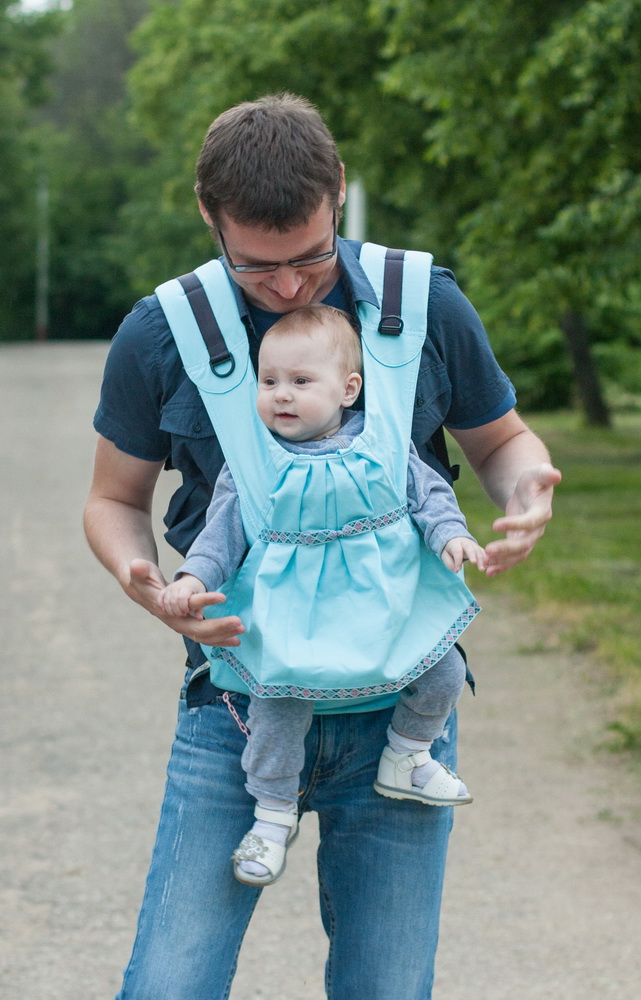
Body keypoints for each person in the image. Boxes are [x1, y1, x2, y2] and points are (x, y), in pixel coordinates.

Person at [84, 93, 561, 1000]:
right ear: (207, 215)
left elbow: (500, 442)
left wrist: (525, 486)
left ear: (338, 192)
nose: (292, 286)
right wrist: (137, 574)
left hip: (400, 707)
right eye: (257, 267)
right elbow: (113, 499)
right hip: (233, 709)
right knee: (167, 985)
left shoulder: (422, 304)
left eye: (309, 255)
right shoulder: (162, 331)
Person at [157, 303, 487, 887]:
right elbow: (220, 534)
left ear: (349, 388)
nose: (281, 395)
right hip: (294, 621)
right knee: (279, 707)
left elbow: (429, 495)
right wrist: (191, 580)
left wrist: (452, 535)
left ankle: (407, 753)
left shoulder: (385, 444)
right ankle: (272, 813)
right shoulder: (253, 459)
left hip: (381, 607)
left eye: (300, 382)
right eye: (268, 381)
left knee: (442, 672)